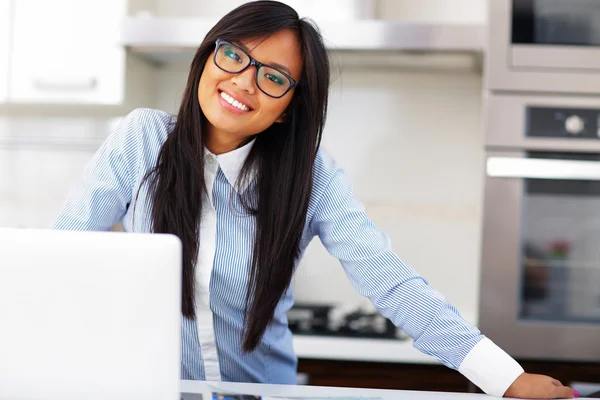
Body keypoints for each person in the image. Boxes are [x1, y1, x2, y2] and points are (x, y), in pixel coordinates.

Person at [53, 1, 577, 399]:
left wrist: (506, 379)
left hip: (267, 394)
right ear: (208, 56)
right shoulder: (142, 139)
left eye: (273, 77)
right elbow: (64, 255)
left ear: (287, 109)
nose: (243, 81)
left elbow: (387, 279)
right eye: (234, 54)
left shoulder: (311, 176)